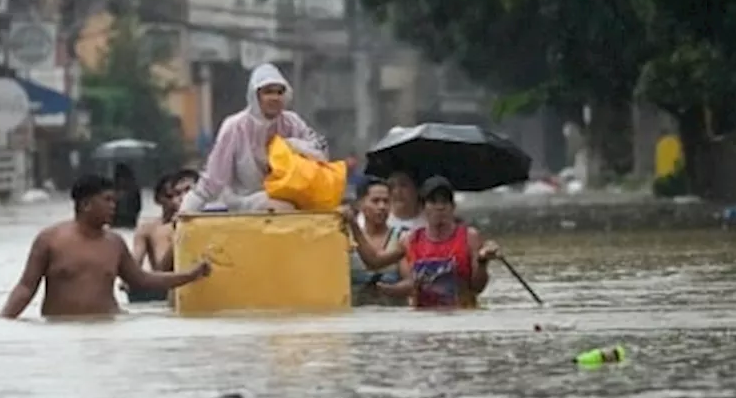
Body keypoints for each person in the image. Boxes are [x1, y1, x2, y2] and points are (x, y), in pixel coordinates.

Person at [0, 174, 211, 320]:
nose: (114, 206)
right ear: (85, 205)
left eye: (114, 200)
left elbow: (143, 279)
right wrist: (2, 321)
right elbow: (26, 288)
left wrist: (191, 275)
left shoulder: (114, 243)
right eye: (107, 200)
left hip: (107, 330)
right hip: (61, 333)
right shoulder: (50, 240)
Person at [180, 63, 330, 214]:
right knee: (282, 208)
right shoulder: (235, 127)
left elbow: (320, 155)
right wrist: (186, 213)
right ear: (255, 95)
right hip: (246, 202)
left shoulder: (292, 122)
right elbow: (213, 180)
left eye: (279, 92)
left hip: (291, 197)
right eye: (268, 92)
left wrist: (294, 145)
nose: (275, 98)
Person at [344, 176, 500, 309]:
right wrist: (353, 225)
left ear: (453, 207)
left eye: (445, 202)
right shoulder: (411, 240)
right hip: (424, 320)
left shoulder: (469, 236)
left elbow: (478, 287)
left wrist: (482, 262)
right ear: (423, 208)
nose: (440, 207)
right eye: (433, 202)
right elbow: (374, 262)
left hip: (461, 316)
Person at [126, 169, 199, 302]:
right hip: (166, 289)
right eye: (174, 194)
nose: (180, 199)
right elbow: (156, 270)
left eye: (188, 192)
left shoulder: (210, 224)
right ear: (158, 199)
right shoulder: (149, 229)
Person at [347, 177, 408, 306]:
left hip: (393, 315)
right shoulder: (347, 240)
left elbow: (410, 282)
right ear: (360, 204)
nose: (382, 207)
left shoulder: (402, 238)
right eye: (375, 201)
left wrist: (391, 290)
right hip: (357, 318)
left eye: (386, 201)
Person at [112, 162, 141, 228]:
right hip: (116, 222)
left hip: (129, 221)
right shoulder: (113, 189)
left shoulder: (133, 190)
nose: (122, 180)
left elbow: (137, 207)